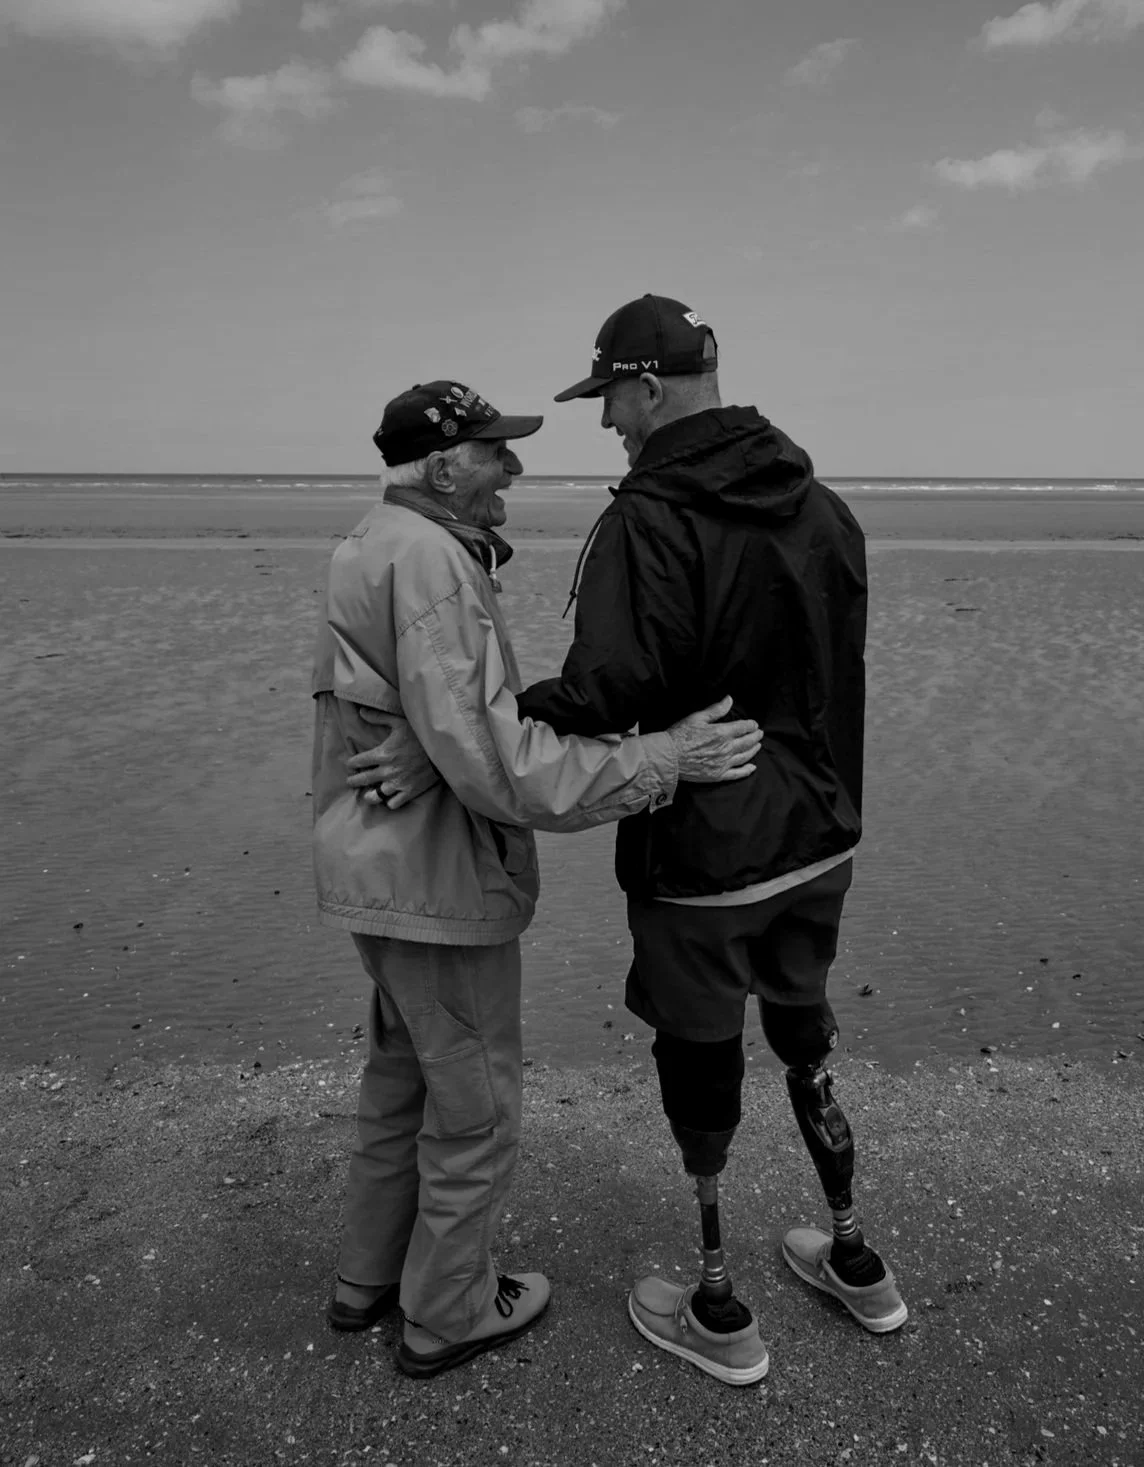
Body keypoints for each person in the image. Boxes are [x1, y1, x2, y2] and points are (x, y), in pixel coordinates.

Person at [353, 298, 907, 1385]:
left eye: (606, 395)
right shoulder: (826, 506)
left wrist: (461, 738)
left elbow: (617, 685)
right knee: (804, 1036)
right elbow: (838, 671)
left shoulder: (648, 517)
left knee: (701, 1061)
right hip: (821, 837)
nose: (605, 421)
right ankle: (854, 1258)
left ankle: (716, 1304)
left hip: (704, 850)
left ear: (649, 387)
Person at [311, 378, 762, 1380]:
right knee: (472, 1113)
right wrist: (663, 763)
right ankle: (448, 1314)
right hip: (434, 884)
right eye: (493, 451)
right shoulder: (429, 560)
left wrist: (444, 748)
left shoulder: (370, 542)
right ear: (443, 465)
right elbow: (503, 769)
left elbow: (443, 727)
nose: (512, 465)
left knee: (402, 1082)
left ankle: (367, 1280)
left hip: (376, 872)